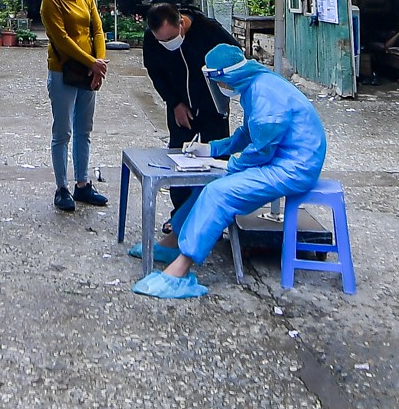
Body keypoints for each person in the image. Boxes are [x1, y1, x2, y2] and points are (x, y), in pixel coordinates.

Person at [134, 45, 327, 300]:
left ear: (227, 77)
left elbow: (261, 151)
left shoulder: (263, 93)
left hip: (294, 168)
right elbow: (247, 134)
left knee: (218, 192)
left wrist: (231, 165)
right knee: (208, 183)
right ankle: (173, 242)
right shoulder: (255, 86)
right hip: (283, 160)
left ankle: (179, 272)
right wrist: (210, 150)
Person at [133, 2, 237, 262]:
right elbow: (155, 72)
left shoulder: (210, 31)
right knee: (178, 162)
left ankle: (214, 220)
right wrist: (174, 102)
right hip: (180, 106)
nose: (166, 43)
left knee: (216, 164)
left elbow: (236, 58)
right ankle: (178, 219)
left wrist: (222, 94)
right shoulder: (152, 40)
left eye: (170, 38)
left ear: (181, 23)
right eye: (160, 40)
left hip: (212, 106)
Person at [41, 0, 108, 211]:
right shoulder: (51, 1)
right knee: (63, 132)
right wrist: (91, 62)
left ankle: (83, 184)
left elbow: (98, 30)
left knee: (84, 130)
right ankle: (62, 188)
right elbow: (61, 40)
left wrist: (98, 64)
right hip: (63, 71)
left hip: (90, 71)